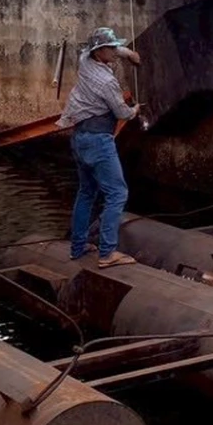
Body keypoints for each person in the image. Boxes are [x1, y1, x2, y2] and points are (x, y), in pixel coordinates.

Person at [57, 28, 142, 267]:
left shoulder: (84, 60)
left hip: (79, 138)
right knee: (117, 194)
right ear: (98, 51)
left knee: (86, 192)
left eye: (115, 47)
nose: (115, 52)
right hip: (98, 141)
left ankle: (77, 246)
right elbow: (122, 113)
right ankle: (107, 253)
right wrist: (134, 110)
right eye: (111, 48)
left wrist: (129, 54)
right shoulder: (107, 82)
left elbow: (109, 51)